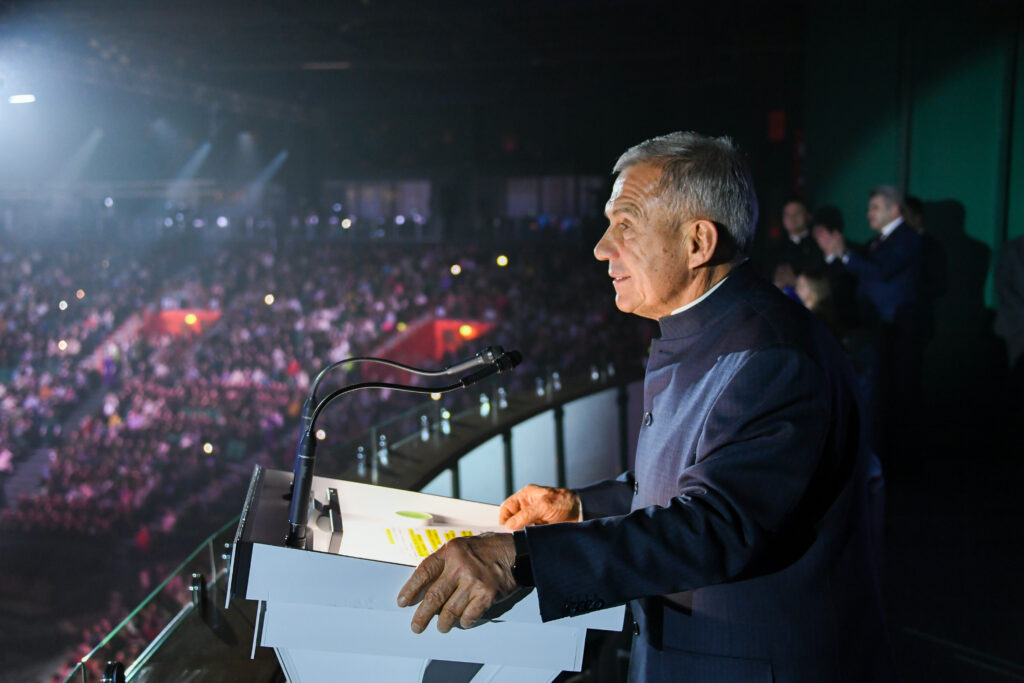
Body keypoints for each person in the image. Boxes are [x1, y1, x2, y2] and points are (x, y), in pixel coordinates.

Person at [397, 132, 892, 682]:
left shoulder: (773, 355)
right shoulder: (717, 330)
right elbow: (695, 481)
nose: (602, 248)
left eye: (626, 225)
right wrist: (580, 506)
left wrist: (522, 558)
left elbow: (714, 524)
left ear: (698, 242)